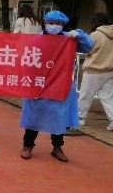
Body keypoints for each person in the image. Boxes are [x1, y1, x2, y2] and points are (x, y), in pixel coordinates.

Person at [20, 10, 94, 162]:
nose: (54, 26)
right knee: (34, 116)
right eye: (51, 23)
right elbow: (26, 60)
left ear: (63, 25)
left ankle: (57, 147)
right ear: (45, 23)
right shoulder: (36, 40)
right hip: (40, 83)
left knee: (59, 117)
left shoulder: (69, 39)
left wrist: (79, 36)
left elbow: (88, 47)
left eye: (58, 23)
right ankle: (27, 146)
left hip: (60, 85)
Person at [78, 13, 113, 132]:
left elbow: (88, 49)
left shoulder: (96, 35)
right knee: (108, 98)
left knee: (85, 96)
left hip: (93, 70)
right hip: (110, 71)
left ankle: (80, 118)